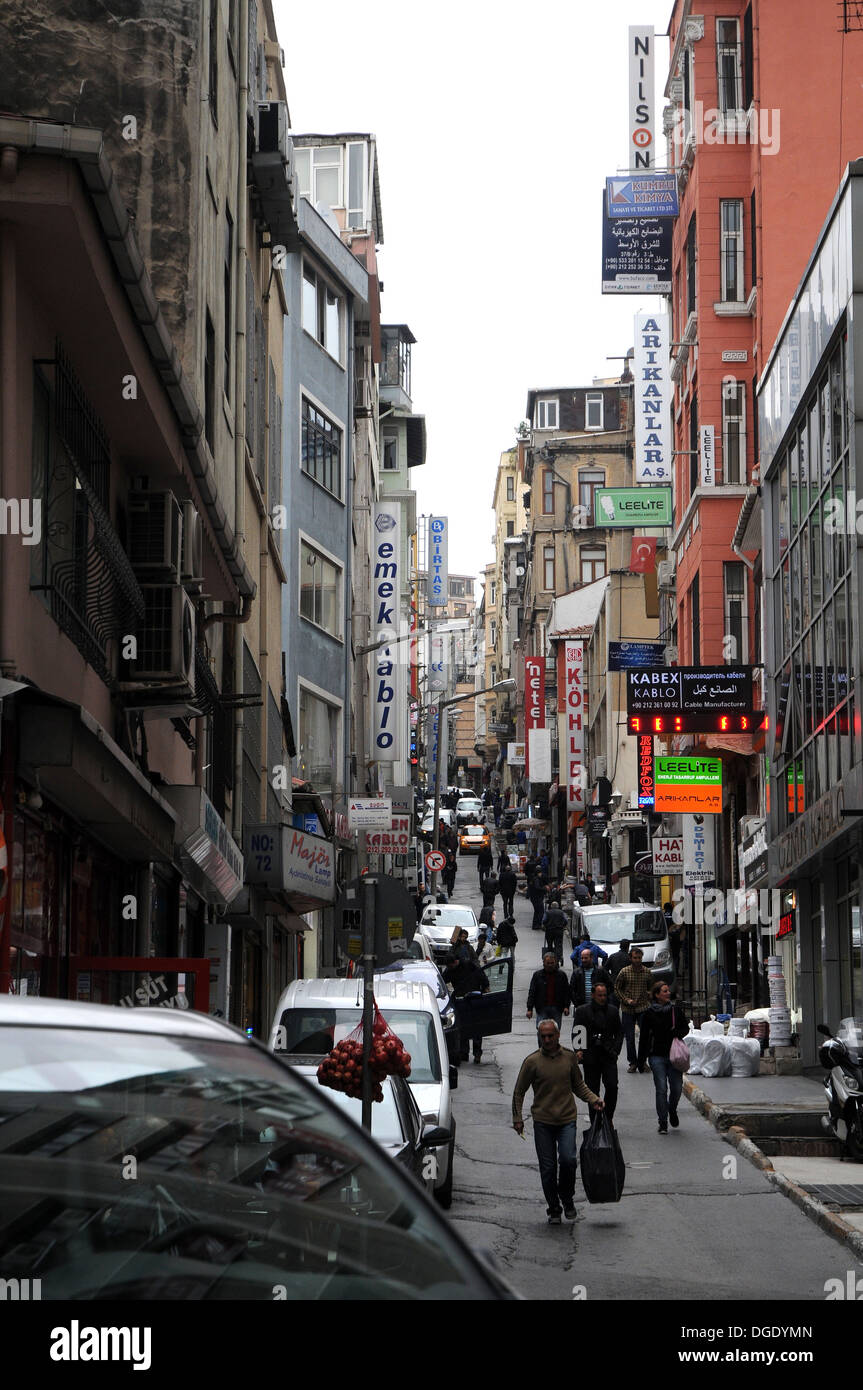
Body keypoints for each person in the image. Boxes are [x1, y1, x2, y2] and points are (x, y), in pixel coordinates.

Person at [512, 1019, 604, 1223]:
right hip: (543, 1122)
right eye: (542, 1036)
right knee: (548, 1169)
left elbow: (578, 1085)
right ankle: (554, 1208)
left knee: (569, 1160)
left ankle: (567, 1198)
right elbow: (519, 1092)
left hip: (566, 1120)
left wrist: (594, 1099)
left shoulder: (569, 1058)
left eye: (550, 1036)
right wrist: (517, 1118)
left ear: (558, 1035)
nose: (546, 1040)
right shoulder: (532, 1062)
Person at [638, 980, 690, 1132]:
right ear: (656, 995)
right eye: (665, 991)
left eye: (668, 991)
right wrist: (641, 1060)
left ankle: (672, 1109)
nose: (668, 993)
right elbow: (644, 1037)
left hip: (674, 1056)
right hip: (656, 1056)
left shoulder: (675, 1011)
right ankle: (662, 1122)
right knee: (661, 1088)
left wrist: (677, 1033)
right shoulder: (648, 1014)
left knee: (676, 1088)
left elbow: (685, 1028)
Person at [572, 981, 623, 1123]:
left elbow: (619, 1032)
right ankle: (595, 1120)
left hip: (608, 1055)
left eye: (605, 995)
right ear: (593, 995)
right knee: (592, 1090)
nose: (602, 998)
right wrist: (579, 1050)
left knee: (612, 1086)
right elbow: (577, 1031)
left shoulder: (612, 1011)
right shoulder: (582, 1011)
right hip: (591, 1055)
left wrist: (616, 1051)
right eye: (600, 995)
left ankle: (608, 1117)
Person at [442, 951, 490, 1063]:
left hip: (475, 999)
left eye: (451, 966)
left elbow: (481, 974)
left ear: (455, 961)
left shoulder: (469, 964)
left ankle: (477, 1053)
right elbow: (443, 981)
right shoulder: (450, 970)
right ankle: (464, 1053)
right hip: (461, 1001)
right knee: (463, 1028)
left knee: (477, 1028)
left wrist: (486, 986)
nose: (450, 968)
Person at [614, 946, 655, 1073]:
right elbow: (617, 988)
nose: (637, 960)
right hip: (628, 1009)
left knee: (645, 1036)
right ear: (630, 958)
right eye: (635, 958)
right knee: (630, 1037)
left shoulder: (647, 972)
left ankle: (643, 1062)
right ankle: (633, 1062)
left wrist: (648, 995)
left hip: (643, 1007)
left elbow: (651, 988)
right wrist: (626, 1000)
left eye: (639, 958)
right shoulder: (624, 972)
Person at [527, 952, 571, 1031]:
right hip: (542, 1008)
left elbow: (566, 992)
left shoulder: (562, 975)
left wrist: (566, 1006)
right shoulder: (537, 975)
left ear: (556, 963)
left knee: (555, 1031)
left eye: (552, 963)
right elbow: (532, 991)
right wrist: (529, 1009)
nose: (550, 965)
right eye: (548, 963)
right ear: (543, 963)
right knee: (541, 1031)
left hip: (557, 1008)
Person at [542, 898, 569, 965]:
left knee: (550, 945)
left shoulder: (548, 912)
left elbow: (544, 920)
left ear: (551, 906)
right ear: (558, 906)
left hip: (549, 930)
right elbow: (566, 920)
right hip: (559, 930)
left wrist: (545, 926)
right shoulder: (561, 912)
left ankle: (550, 957)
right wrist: (563, 926)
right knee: (558, 945)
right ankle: (558, 957)